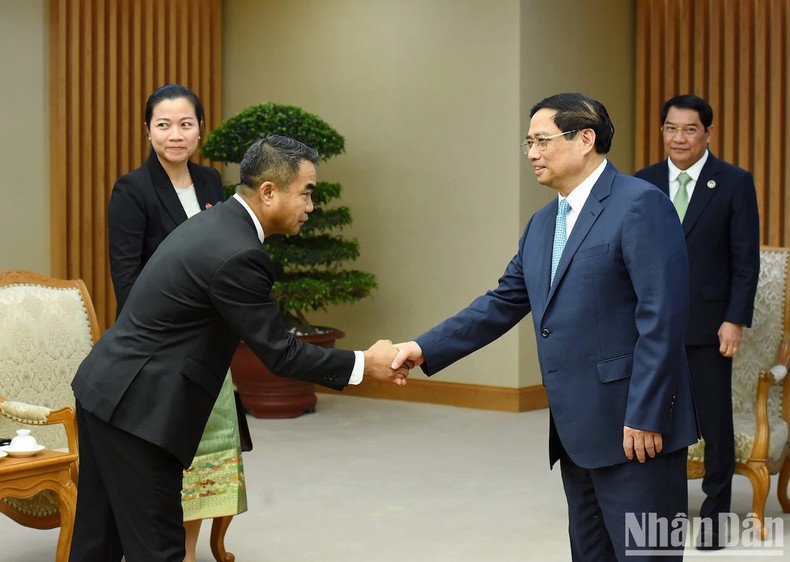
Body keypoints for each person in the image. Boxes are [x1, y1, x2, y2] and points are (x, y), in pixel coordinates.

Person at [70, 135, 409, 562]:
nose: (311, 205)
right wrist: (365, 364)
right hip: (139, 412)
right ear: (268, 191)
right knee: (157, 551)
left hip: (106, 390)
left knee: (96, 545)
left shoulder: (218, 224)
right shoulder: (239, 253)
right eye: (306, 192)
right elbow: (280, 353)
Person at [392, 93, 699, 560]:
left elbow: (663, 317)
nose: (531, 153)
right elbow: (501, 302)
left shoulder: (641, 204)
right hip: (576, 433)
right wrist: (422, 347)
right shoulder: (541, 225)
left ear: (584, 140)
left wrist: (647, 413)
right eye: (528, 143)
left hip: (635, 431)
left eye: (541, 141)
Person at [107, 83, 246, 561]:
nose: (175, 134)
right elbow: (126, 279)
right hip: (162, 350)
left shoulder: (210, 184)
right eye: (163, 124)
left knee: (208, 455)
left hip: (209, 340)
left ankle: (188, 550)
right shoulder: (131, 190)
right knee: (168, 456)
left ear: (200, 130)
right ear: (148, 131)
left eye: (185, 124)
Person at [635, 94, 760, 550]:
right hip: (652, 328)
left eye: (690, 129)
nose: (679, 137)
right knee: (652, 421)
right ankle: (658, 515)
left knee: (715, 426)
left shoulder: (733, 182)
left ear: (708, 133)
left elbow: (745, 262)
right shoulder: (643, 182)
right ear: (662, 131)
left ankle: (713, 519)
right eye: (671, 128)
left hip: (710, 328)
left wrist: (734, 320)